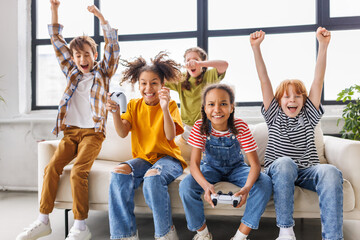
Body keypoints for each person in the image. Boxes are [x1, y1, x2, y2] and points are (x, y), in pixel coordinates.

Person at [16, 1, 120, 240]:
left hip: (93, 134)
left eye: (87, 55)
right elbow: (56, 40)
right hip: (71, 133)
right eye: (78, 55)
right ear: (73, 58)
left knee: (78, 172)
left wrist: (100, 17)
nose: (82, 59)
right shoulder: (71, 71)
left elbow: (113, 47)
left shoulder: (103, 73)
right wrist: (54, 9)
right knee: (51, 168)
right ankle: (43, 220)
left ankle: (81, 226)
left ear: (94, 55)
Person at [250, 27, 343, 240]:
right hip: (280, 170)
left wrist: (324, 46)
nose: (292, 100)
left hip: (307, 171)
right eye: (286, 97)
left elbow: (318, 81)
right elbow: (264, 80)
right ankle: (286, 231)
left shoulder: (309, 115)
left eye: (298, 96)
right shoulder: (274, 115)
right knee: (285, 163)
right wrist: (256, 49)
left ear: (305, 100)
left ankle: (333, 237)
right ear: (278, 101)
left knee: (330, 171)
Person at [106, 52, 187, 240]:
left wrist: (165, 108)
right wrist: (116, 113)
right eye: (143, 83)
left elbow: (170, 135)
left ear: (162, 85)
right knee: (118, 172)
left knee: (153, 176)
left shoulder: (171, 105)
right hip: (144, 159)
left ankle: (165, 233)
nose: (148, 88)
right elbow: (122, 132)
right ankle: (124, 235)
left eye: (153, 83)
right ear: (138, 84)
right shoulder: (134, 105)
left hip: (169, 159)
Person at [179, 83, 272, 240]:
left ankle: (241, 235)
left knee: (265, 182)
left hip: (237, 168)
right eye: (211, 104)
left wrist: (247, 188)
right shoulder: (199, 127)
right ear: (204, 108)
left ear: (231, 107)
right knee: (185, 186)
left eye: (223, 104)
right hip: (210, 168)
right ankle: (203, 234)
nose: (217, 109)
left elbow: (255, 165)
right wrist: (206, 186)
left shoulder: (240, 126)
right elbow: (194, 165)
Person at [165, 47, 229, 161]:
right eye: (188, 60)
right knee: (169, 154)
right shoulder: (181, 79)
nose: (191, 62)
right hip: (187, 130)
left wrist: (199, 63)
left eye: (195, 59)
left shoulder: (210, 76)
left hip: (206, 128)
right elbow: (160, 80)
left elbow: (224, 64)